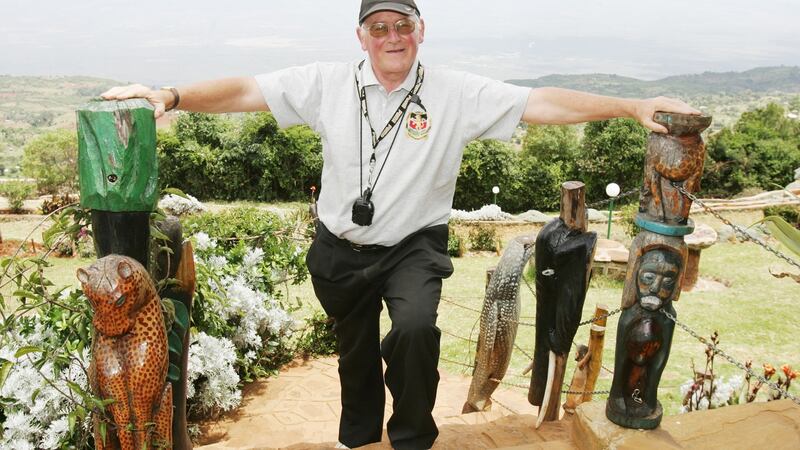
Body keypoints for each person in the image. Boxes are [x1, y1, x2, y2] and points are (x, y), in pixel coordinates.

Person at [102, 1, 699, 448]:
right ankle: (360, 436)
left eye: (403, 25)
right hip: (339, 247)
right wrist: (170, 95)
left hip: (414, 246)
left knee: (414, 331)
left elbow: (539, 103)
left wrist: (629, 106)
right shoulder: (327, 83)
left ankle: (412, 435)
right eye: (380, 27)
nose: (393, 37)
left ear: (420, 31)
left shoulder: (454, 92)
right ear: (361, 35)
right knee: (354, 349)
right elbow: (245, 91)